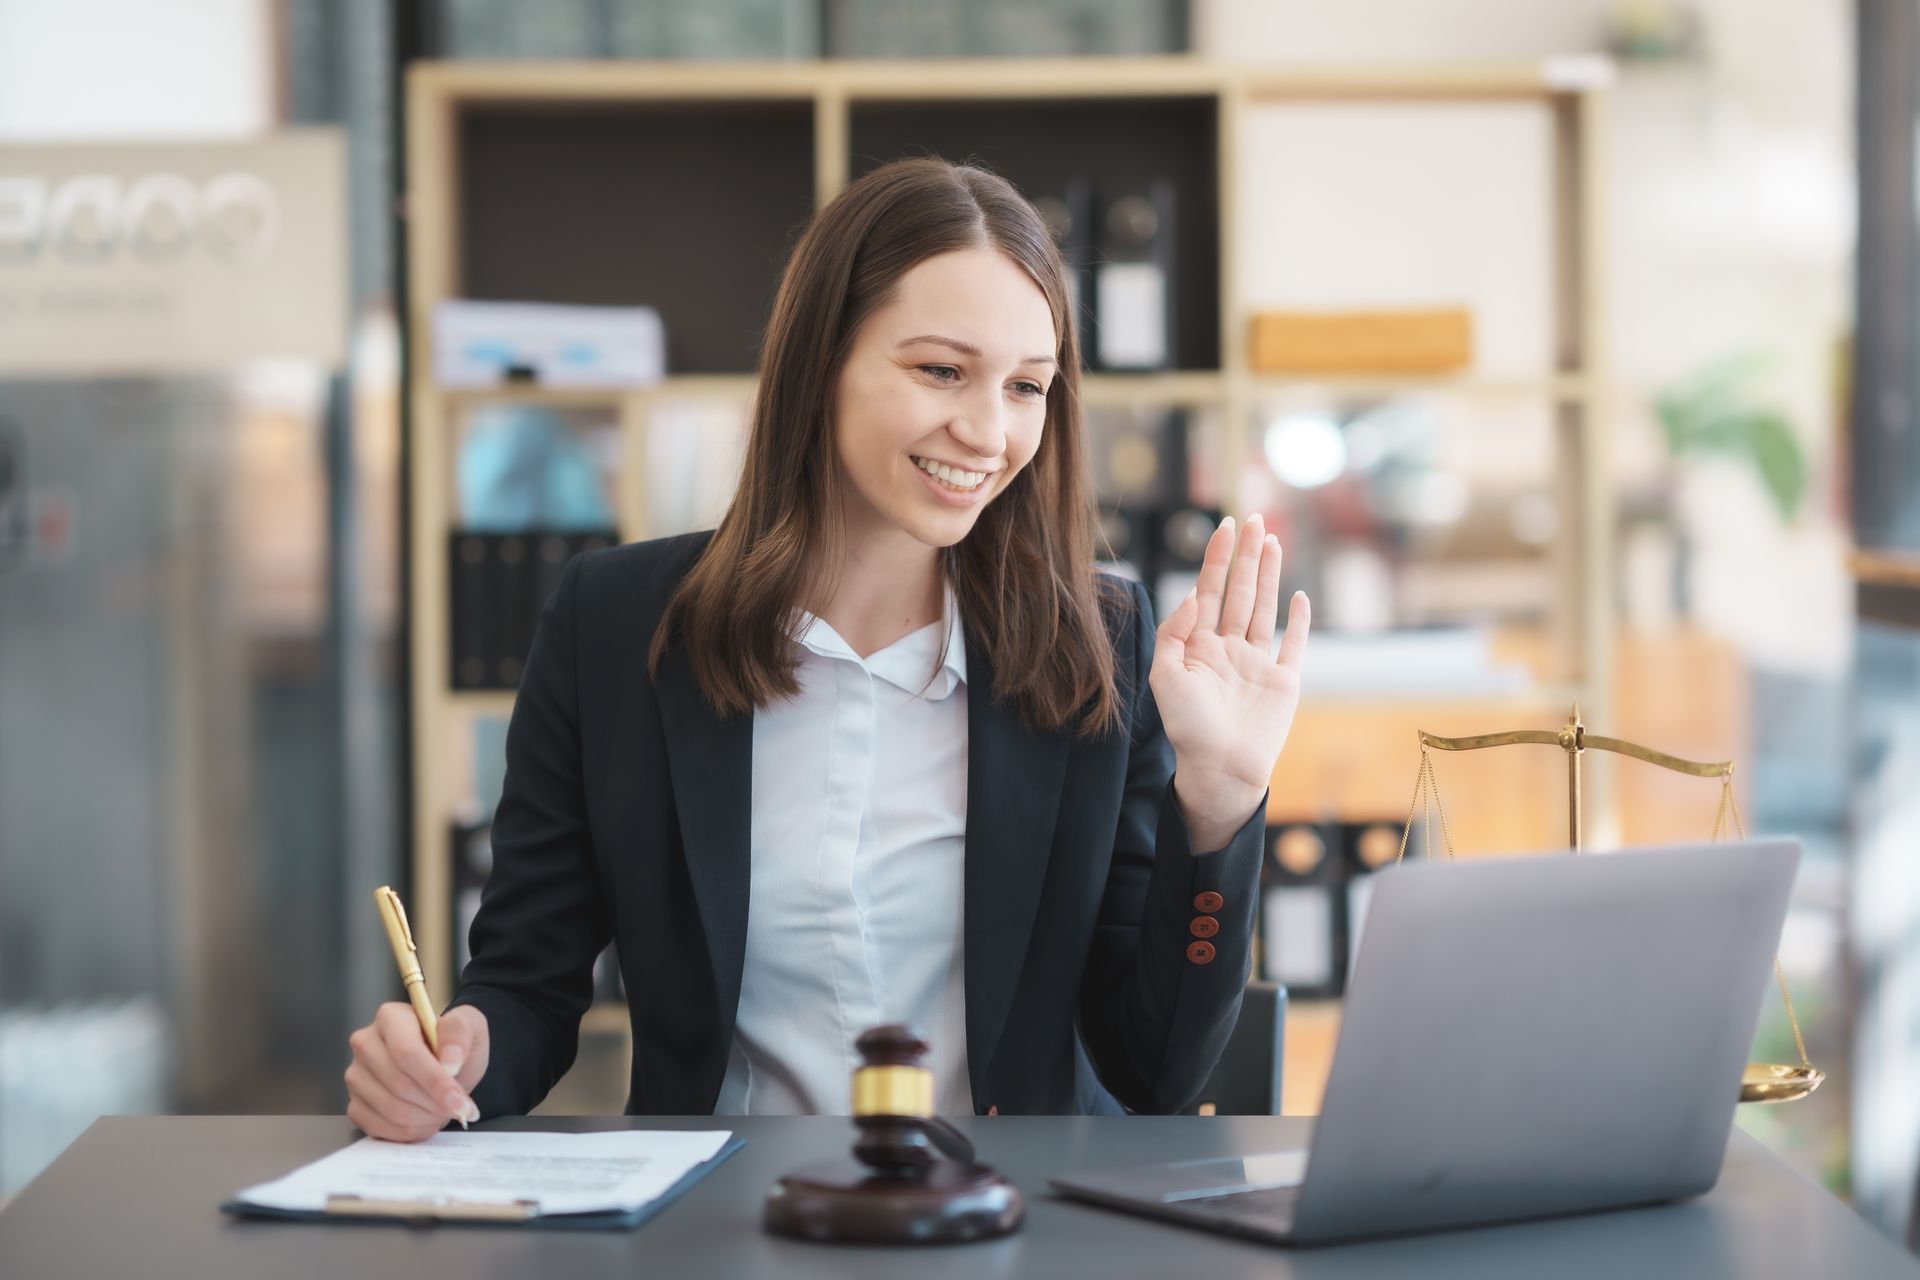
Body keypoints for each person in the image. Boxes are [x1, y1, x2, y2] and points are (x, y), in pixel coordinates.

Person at [344, 156, 1310, 1142]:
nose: (988, 429)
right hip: (719, 1219)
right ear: (821, 361)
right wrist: (453, 1053)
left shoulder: (1098, 643)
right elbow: (526, 984)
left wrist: (1220, 797)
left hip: (1008, 1219)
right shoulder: (615, 624)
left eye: (1028, 386)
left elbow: (1155, 1070)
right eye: (941, 369)